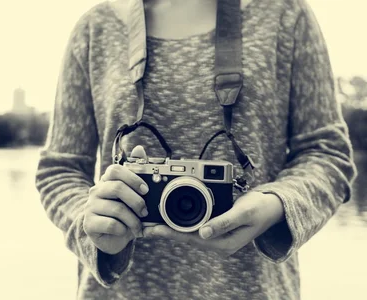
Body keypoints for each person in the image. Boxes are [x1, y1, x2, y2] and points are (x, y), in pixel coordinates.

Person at [35, 0, 357, 299]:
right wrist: (92, 222)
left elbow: (328, 154)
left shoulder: (286, 15)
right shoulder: (96, 28)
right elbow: (59, 170)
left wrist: (273, 205)